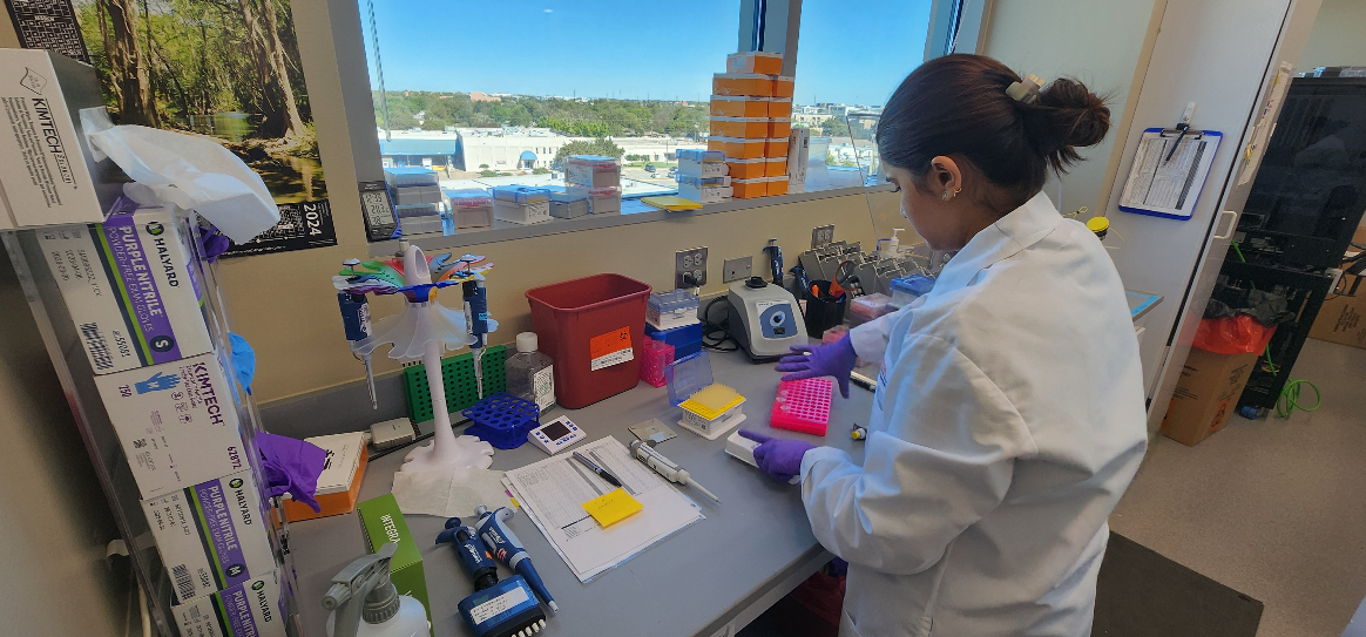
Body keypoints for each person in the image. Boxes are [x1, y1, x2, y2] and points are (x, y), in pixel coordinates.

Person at [739, 54, 1148, 637]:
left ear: (945, 176)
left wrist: (812, 466)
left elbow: (881, 533)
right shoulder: (1072, 247)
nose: (901, 204)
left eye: (898, 185)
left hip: (957, 613)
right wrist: (854, 345)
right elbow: (945, 312)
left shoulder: (967, 330)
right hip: (1042, 586)